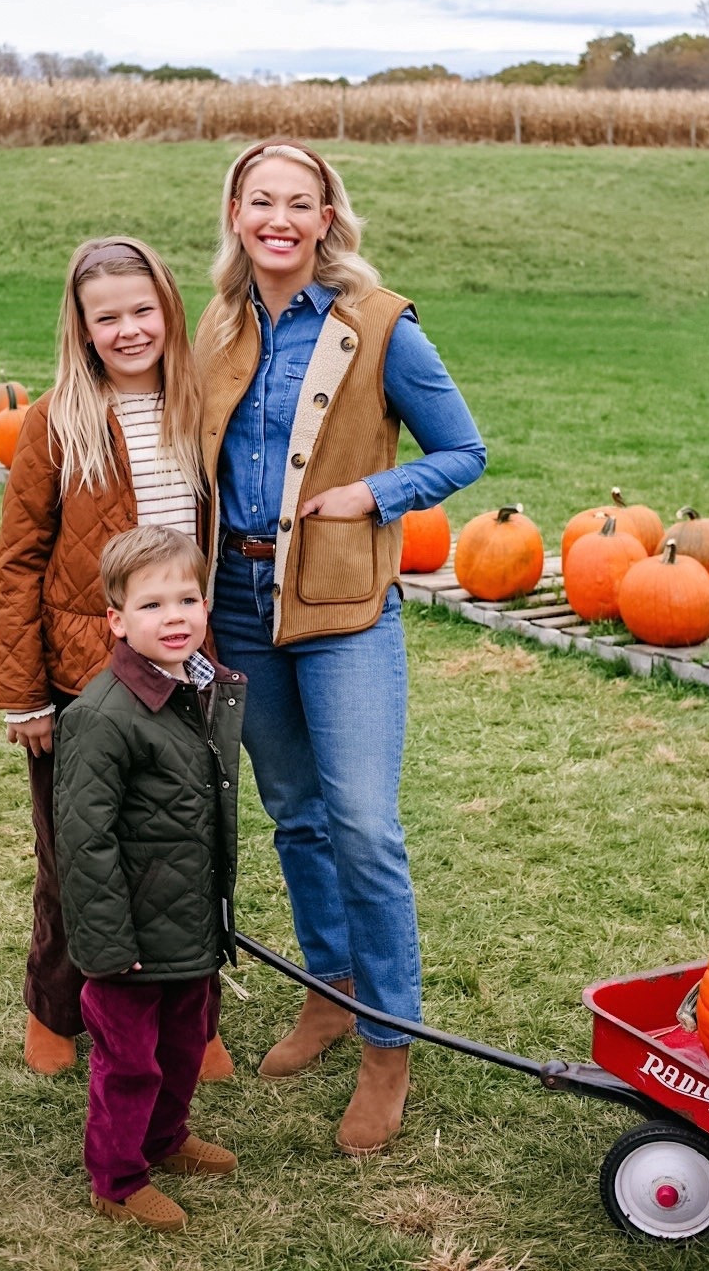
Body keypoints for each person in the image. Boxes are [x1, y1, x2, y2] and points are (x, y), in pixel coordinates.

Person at [195, 139, 486, 1155]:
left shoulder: (378, 325)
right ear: (236, 212)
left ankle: (386, 1041)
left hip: (345, 602)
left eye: (300, 202)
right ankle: (329, 989)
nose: (279, 216)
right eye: (260, 199)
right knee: (297, 815)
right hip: (237, 601)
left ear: (327, 218)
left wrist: (375, 492)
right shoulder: (218, 328)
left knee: (363, 822)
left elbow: (464, 449)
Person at [0, 234, 232, 1079]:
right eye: (108, 318)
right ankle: (55, 1007)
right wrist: (22, 694)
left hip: (181, 671)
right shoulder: (57, 420)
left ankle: (190, 1019)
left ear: (166, 310)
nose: (129, 330)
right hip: (84, 680)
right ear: (82, 328)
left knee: (183, 852)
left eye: (142, 311)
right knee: (77, 853)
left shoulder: (199, 409)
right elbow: (20, 557)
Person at [54, 524, 244, 1230]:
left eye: (188, 599)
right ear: (116, 619)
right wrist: (106, 944)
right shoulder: (101, 717)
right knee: (129, 1060)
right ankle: (118, 1177)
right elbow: (84, 839)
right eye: (152, 605)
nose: (175, 617)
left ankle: (165, 1139)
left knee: (181, 1043)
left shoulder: (201, 690)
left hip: (187, 921)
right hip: (127, 936)